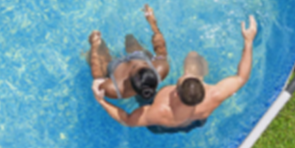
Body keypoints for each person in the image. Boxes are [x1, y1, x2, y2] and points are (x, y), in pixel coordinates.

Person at [92, 16, 258, 133]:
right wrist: (248, 42)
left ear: (176, 93)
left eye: (183, 78)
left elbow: (128, 120)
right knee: (193, 57)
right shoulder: (214, 95)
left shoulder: (159, 112)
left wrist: (101, 102)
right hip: (194, 120)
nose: (186, 74)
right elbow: (241, 77)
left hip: (163, 125)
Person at [88, 4, 169, 103]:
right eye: (145, 64)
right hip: (138, 57)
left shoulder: (113, 89)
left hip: (114, 68)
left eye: (135, 66)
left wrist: (94, 46)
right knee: (130, 38)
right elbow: (160, 45)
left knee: (97, 48)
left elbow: (98, 78)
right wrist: (152, 22)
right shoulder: (161, 69)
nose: (136, 63)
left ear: (127, 80)